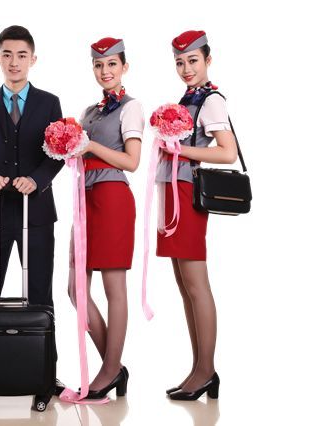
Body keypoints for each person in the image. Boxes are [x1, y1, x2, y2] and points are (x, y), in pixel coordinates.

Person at [0, 24, 65, 395]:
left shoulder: (49, 102)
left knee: (40, 292)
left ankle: (45, 371)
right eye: (7, 54)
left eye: (21, 55)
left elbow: (58, 151)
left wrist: (37, 180)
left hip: (36, 212)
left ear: (33, 59)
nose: (14, 62)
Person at [155, 30, 238, 401]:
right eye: (179, 62)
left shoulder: (211, 100)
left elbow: (227, 152)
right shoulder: (189, 99)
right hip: (175, 194)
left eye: (192, 60)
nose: (186, 68)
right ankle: (199, 368)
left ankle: (206, 370)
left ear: (208, 60)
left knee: (196, 284)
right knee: (184, 285)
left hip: (188, 196)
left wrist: (181, 151)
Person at [68, 37, 144, 399]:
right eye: (98, 65)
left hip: (113, 196)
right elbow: (79, 155)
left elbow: (132, 161)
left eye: (112, 64)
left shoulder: (131, 107)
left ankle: (110, 369)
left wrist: (90, 146)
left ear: (124, 67)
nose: (105, 71)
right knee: (75, 288)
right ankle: (113, 366)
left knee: (114, 287)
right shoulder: (89, 111)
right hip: (84, 197)